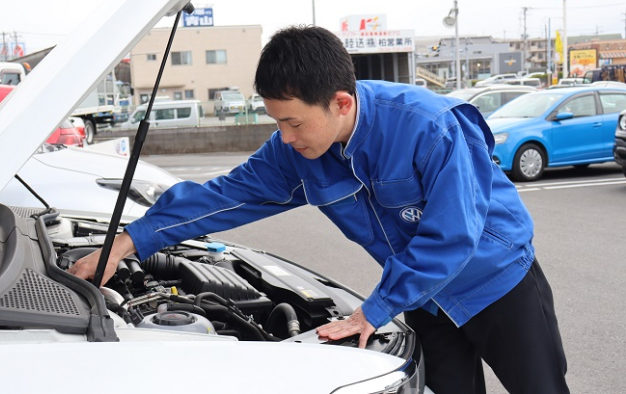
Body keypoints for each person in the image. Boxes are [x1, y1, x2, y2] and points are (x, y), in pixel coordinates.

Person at [70, 25, 569, 394]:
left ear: (341, 103)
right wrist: (129, 242)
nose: (284, 138)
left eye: (293, 123)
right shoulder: (297, 151)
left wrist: (374, 309)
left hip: (498, 285)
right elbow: (225, 195)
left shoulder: (429, 126)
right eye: (277, 123)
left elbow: (453, 235)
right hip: (423, 300)